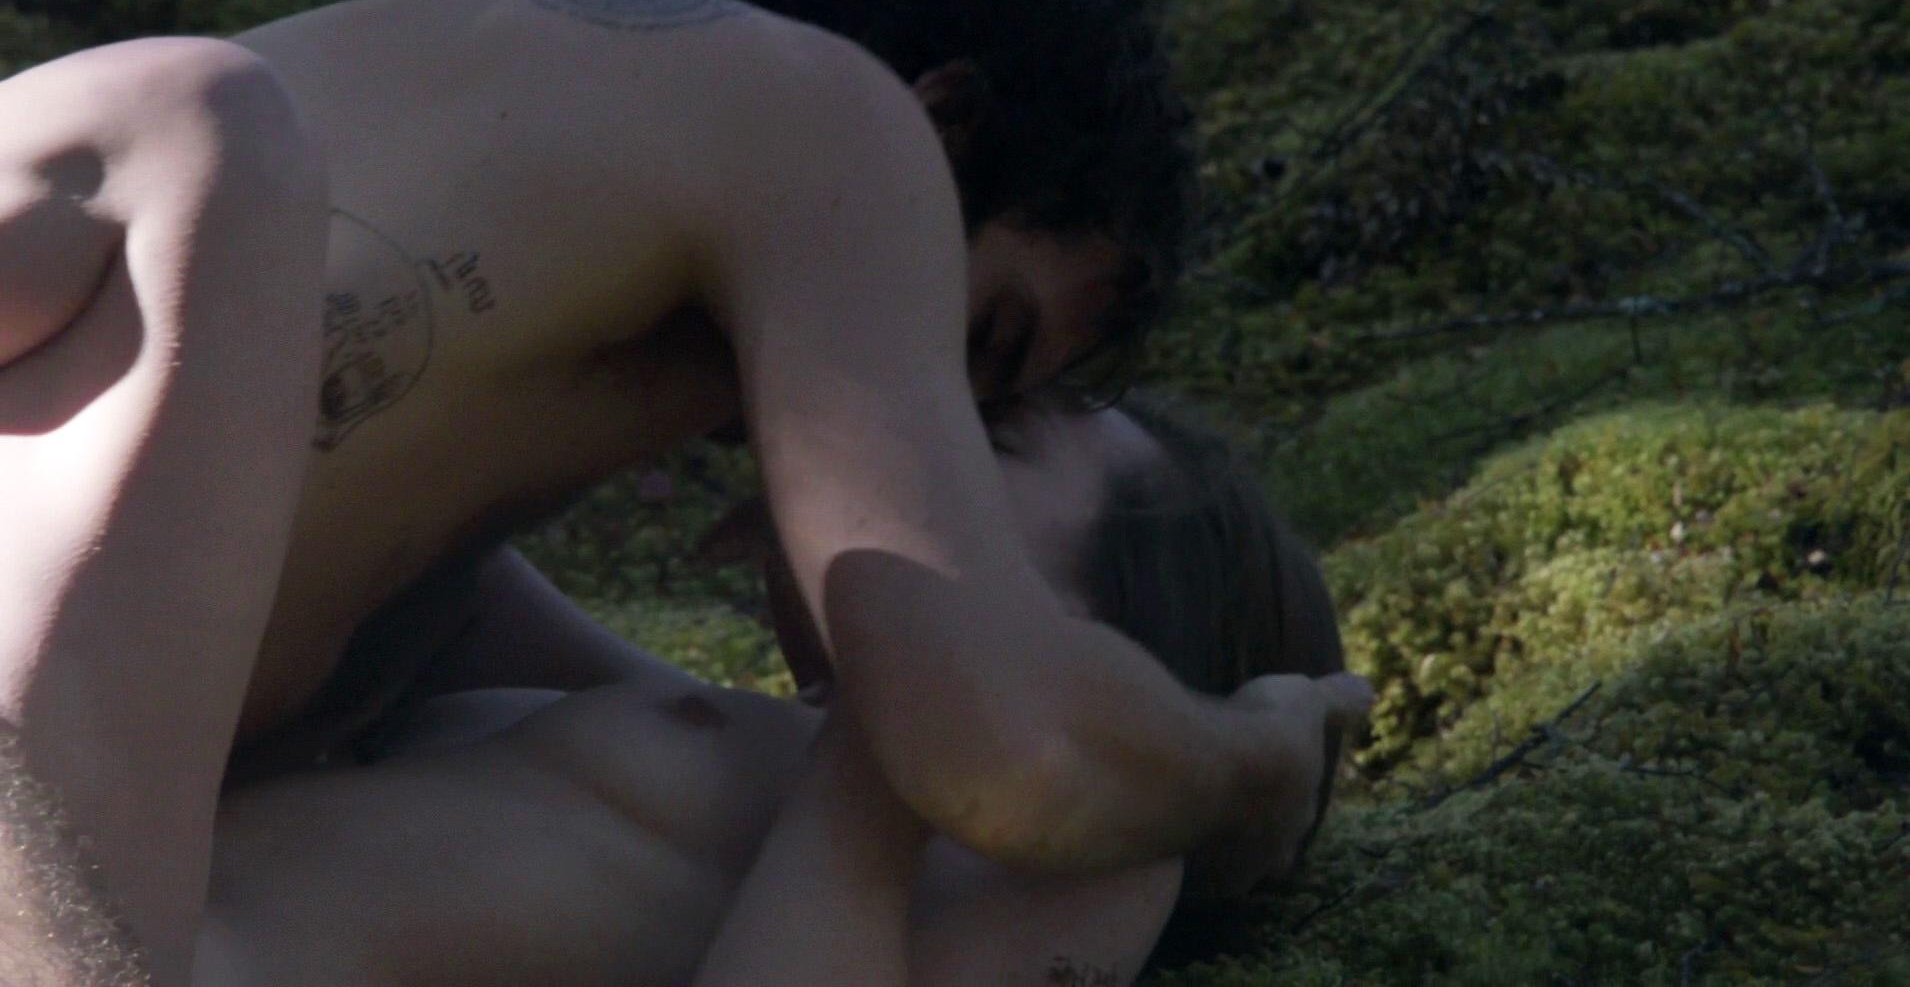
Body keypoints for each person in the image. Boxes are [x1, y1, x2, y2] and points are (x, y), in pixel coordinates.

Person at [0, 0, 1368, 978]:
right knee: (204, 124)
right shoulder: (837, 122)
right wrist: (1252, 766)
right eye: (980, 350)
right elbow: (997, 743)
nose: (928, 427)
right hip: (66, 880)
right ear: (941, 127)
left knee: (204, 125)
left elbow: (955, 737)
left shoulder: (463, 438)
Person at [196, 394, 1354, 987]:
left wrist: (919, 720)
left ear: (1095, 641)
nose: (912, 412)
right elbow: (450, 583)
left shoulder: (1093, 858)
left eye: (987, 434)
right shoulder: (737, 742)